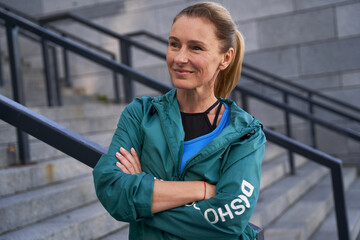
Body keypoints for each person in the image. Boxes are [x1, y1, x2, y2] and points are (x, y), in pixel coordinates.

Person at [93, 2, 266, 240]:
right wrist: (202, 189)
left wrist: (140, 200)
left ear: (225, 58)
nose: (180, 58)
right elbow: (112, 188)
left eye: (196, 48)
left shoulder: (245, 133)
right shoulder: (141, 114)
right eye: (174, 44)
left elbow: (229, 220)